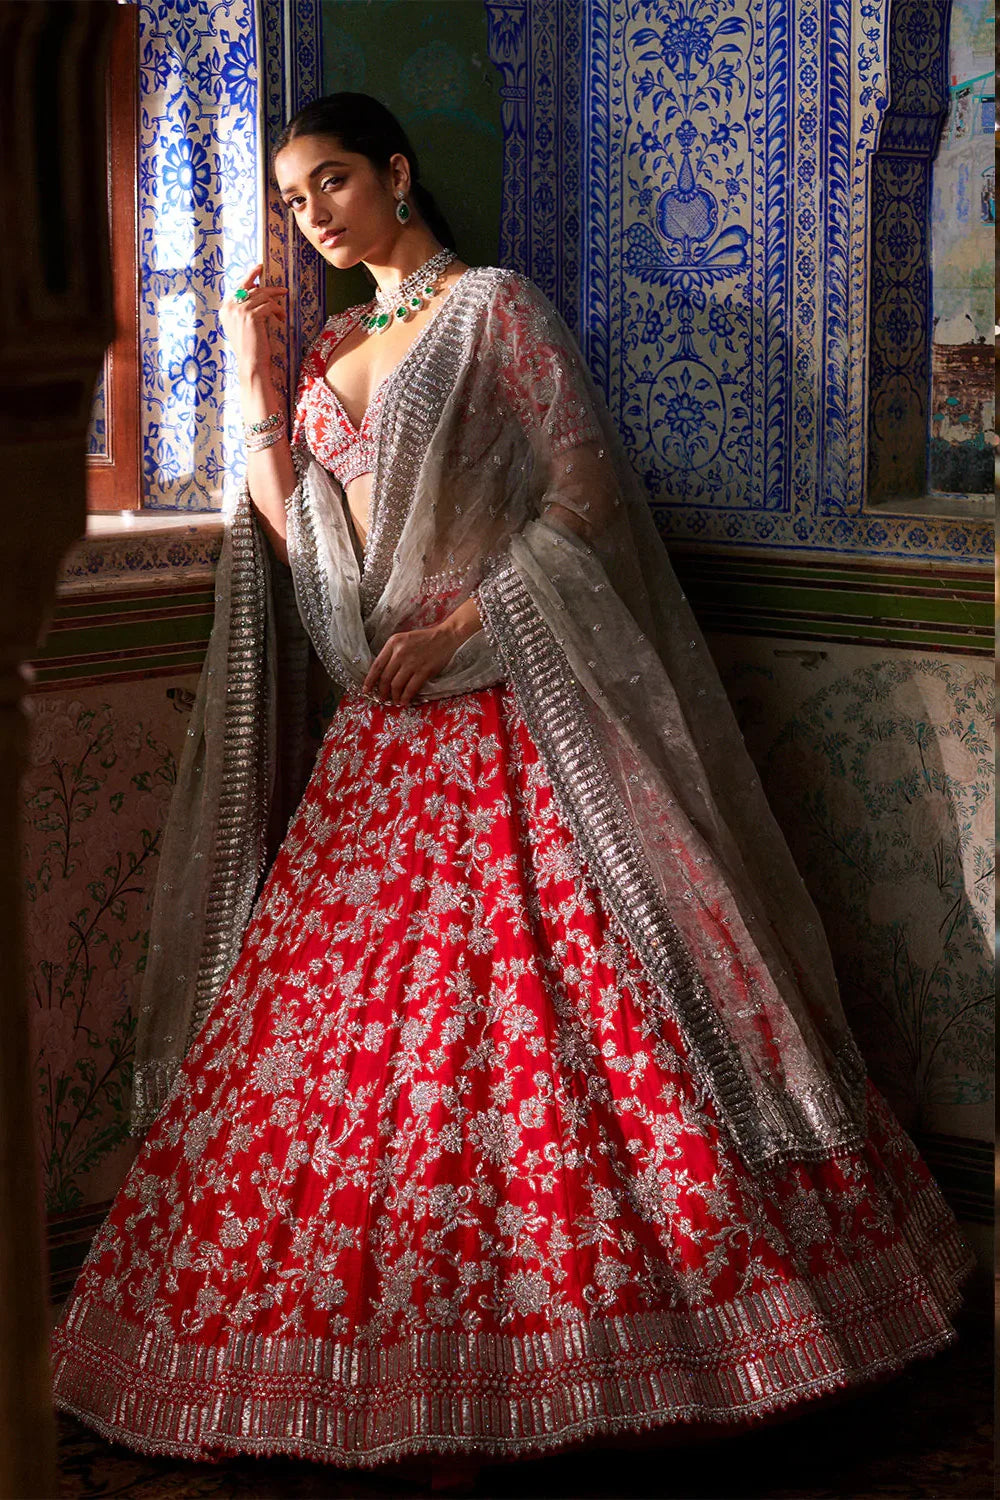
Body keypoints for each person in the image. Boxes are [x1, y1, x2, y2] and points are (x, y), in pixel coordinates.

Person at [50, 92, 973, 1472]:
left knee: (579, 1014)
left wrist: (468, 625)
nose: (312, 216)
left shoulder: (494, 309)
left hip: (513, 716)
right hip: (381, 744)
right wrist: (252, 378)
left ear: (396, 173)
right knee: (348, 1057)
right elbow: (311, 549)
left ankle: (663, 1353)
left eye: (333, 181)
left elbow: (585, 498)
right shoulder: (338, 344)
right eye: (295, 199)